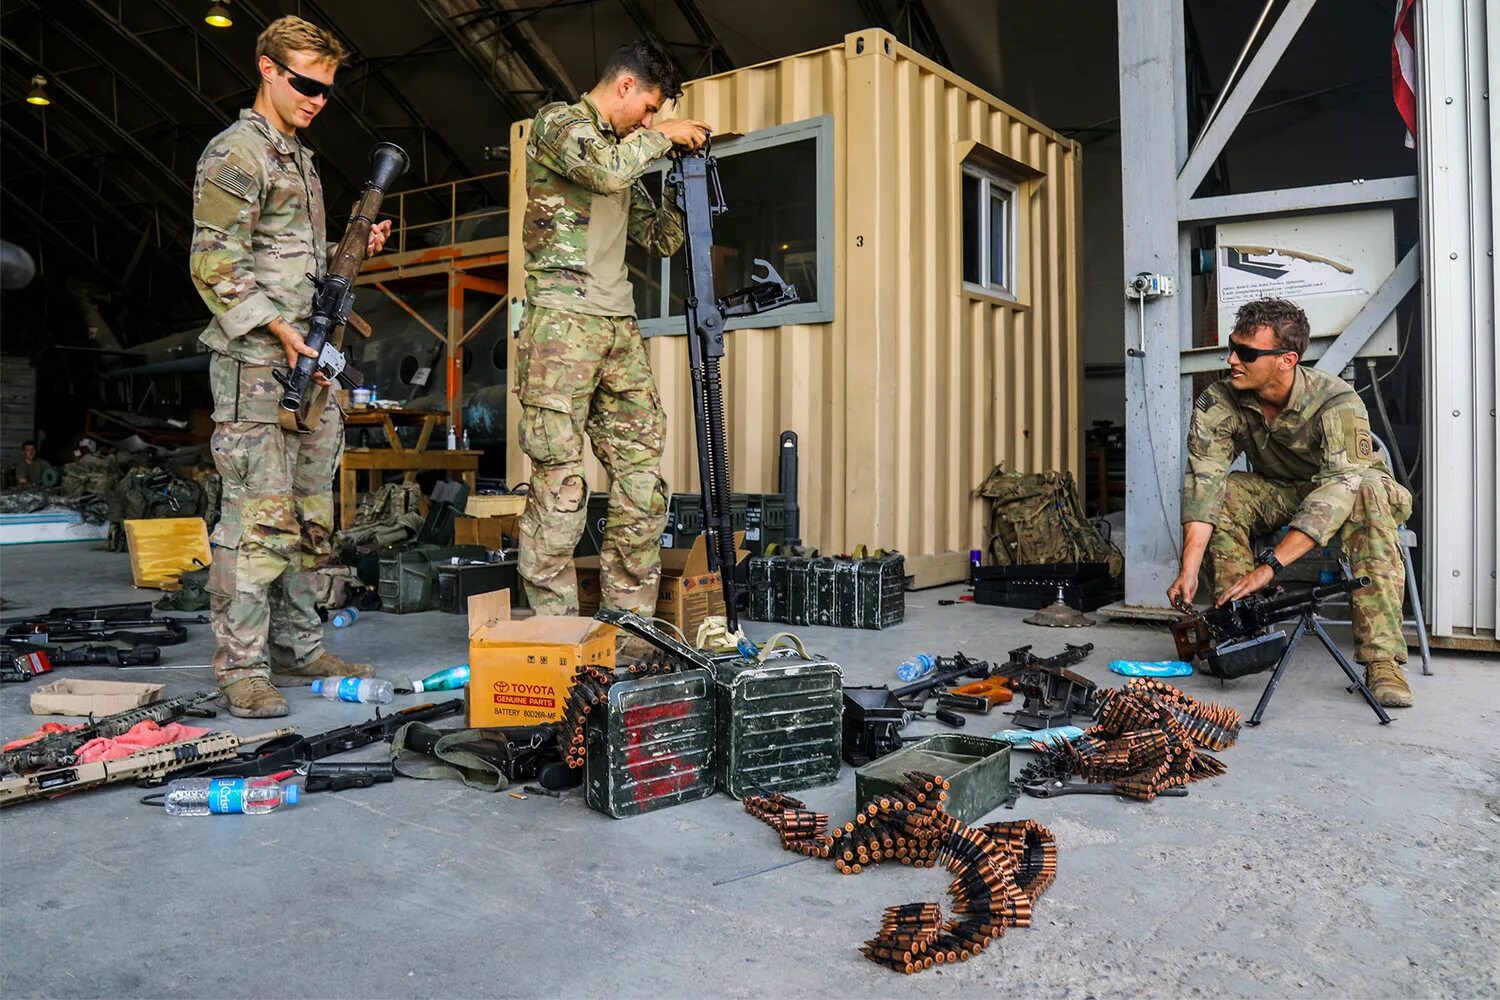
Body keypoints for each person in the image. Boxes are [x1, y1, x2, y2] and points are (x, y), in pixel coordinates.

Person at [188, 16, 391, 718]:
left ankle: (300, 646)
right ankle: (242, 669)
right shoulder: (237, 152)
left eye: (327, 89)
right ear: (267, 69)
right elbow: (213, 258)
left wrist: (349, 246)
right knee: (252, 519)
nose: (317, 99)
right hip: (255, 365)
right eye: (306, 83)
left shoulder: (297, 159)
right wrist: (276, 327)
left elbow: (284, 257)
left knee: (308, 514)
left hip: (310, 366)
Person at [516, 38, 710, 616]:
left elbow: (662, 237)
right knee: (561, 485)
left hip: (618, 326)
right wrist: (662, 137)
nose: (651, 120)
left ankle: (629, 632)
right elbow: (602, 173)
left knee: (642, 483)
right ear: (625, 86)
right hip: (562, 322)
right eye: (650, 108)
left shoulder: (627, 150)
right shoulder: (559, 124)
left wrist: (686, 181)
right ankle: (555, 636)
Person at [1167, 298, 1415, 707]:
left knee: (1367, 493)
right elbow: (1204, 482)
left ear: (1287, 359)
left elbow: (1340, 487)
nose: (1232, 360)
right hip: (1281, 489)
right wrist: (1189, 569)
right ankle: (1240, 635)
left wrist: (1271, 567)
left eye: (1246, 353)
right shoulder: (1221, 399)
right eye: (1232, 348)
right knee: (1227, 493)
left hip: (1352, 489)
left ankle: (1382, 659)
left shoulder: (1336, 399)